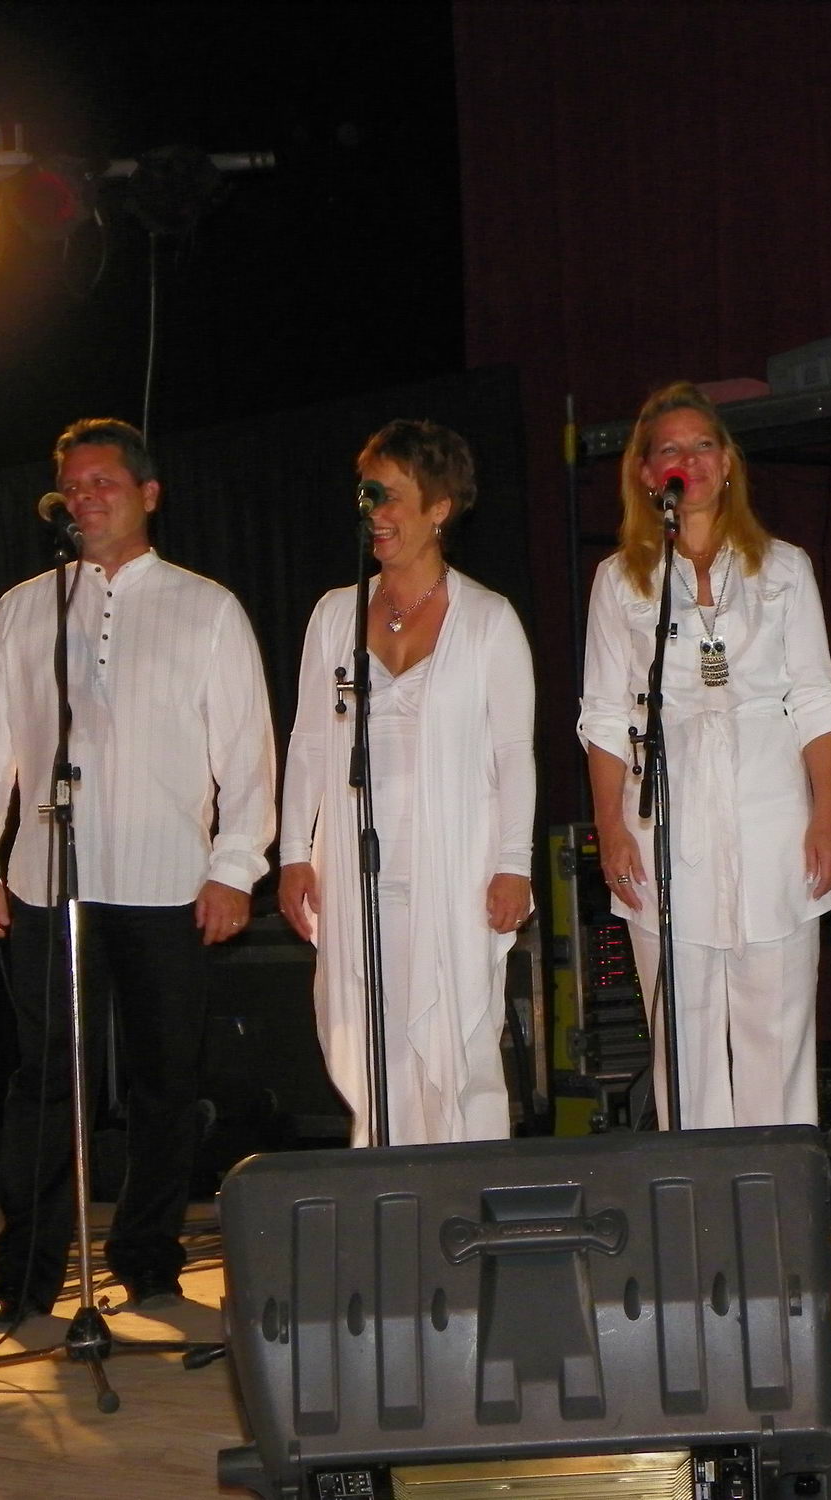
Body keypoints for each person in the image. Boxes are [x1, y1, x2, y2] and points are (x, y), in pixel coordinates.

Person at [0, 417, 276, 1327]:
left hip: (170, 881)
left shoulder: (206, 607)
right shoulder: (24, 609)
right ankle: (28, 1276)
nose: (87, 498)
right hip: (47, 882)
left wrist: (235, 867)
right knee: (47, 1082)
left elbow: (247, 752)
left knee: (165, 1083)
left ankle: (149, 1261)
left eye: (105, 483)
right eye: (75, 485)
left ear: (148, 495)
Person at [579, 381, 831, 1130]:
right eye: (670, 450)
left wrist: (827, 814)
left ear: (727, 463)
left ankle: (776, 1184)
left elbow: (815, 698)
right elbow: (604, 714)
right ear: (646, 473)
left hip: (772, 819)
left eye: (703, 446)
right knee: (683, 1038)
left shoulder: (784, 568)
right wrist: (611, 825)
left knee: (777, 1027)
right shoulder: (619, 580)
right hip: (668, 824)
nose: (688, 461)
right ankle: (694, 1188)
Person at [277, 420, 534, 1146]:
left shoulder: (487, 620)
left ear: (439, 507)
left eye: (390, 495)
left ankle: (465, 1187)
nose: (375, 512)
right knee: (367, 1033)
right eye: (368, 495)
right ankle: (385, 1181)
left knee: (457, 1043)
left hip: (453, 867)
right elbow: (306, 741)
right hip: (356, 868)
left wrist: (514, 864)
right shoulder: (334, 614)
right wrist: (294, 851)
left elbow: (515, 752)